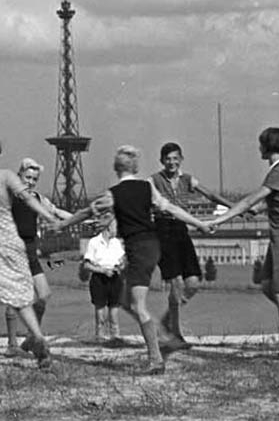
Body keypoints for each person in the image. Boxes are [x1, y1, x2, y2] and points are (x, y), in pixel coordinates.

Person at [57, 145, 212, 375]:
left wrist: (62, 224)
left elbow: (86, 212)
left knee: (137, 305)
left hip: (139, 250)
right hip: (152, 246)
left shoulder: (113, 193)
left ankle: (156, 357)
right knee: (123, 298)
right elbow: (171, 209)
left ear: (115, 167)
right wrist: (199, 224)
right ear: (135, 167)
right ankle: (161, 333)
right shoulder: (147, 187)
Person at [208, 127, 279, 360]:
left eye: (261, 144)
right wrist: (251, 210)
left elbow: (251, 199)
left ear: (270, 147)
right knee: (268, 284)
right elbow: (275, 201)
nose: (259, 148)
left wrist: (219, 220)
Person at [0, 137, 61, 369]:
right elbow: (27, 198)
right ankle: (40, 344)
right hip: (7, 237)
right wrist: (49, 217)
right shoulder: (6, 176)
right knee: (21, 296)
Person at [150, 142, 234, 348]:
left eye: (175, 158)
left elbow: (210, 195)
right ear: (162, 161)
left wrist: (234, 207)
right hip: (163, 230)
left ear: (181, 159)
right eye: (168, 159)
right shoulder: (153, 181)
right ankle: (175, 333)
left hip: (181, 230)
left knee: (193, 282)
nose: (171, 162)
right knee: (176, 283)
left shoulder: (188, 180)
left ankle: (168, 318)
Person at [2, 158, 72, 357]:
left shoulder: (38, 199)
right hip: (12, 250)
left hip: (31, 252)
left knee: (43, 295)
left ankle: (32, 338)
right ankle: (12, 344)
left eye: (34, 179)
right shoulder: (9, 196)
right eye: (27, 177)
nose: (30, 182)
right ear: (19, 175)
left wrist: (83, 219)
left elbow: (57, 212)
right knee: (13, 298)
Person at [82, 216, 126, 345]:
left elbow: (122, 260)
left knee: (114, 310)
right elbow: (87, 264)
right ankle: (100, 337)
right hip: (100, 278)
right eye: (115, 227)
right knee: (100, 311)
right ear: (108, 227)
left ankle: (115, 337)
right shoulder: (94, 242)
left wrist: (120, 267)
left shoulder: (116, 242)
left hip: (115, 277)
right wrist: (102, 270)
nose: (116, 230)